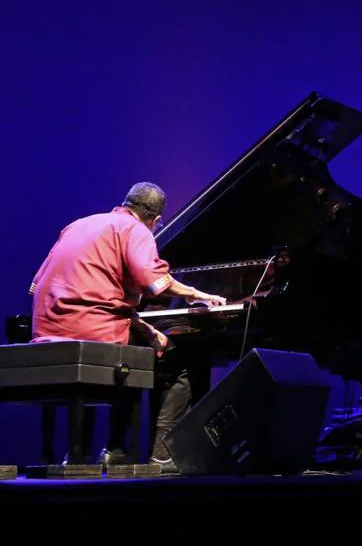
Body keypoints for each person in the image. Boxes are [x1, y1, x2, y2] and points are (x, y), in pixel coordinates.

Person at [29, 182, 226, 472]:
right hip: (92, 330)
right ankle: (163, 455)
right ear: (156, 221)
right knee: (181, 358)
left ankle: (114, 450)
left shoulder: (78, 225)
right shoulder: (135, 230)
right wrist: (199, 294)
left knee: (133, 356)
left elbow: (36, 286)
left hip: (49, 330)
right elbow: (153, 281)